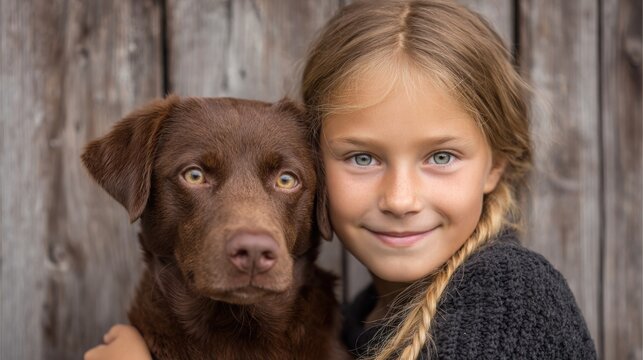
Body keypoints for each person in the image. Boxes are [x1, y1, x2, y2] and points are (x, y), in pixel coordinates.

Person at [85, 1, 596, 359]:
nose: (400, 198)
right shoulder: (359, 321)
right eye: (362, 158)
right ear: (324, 167)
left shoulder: (507, 294)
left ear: (495, 164)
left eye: (440, 156)